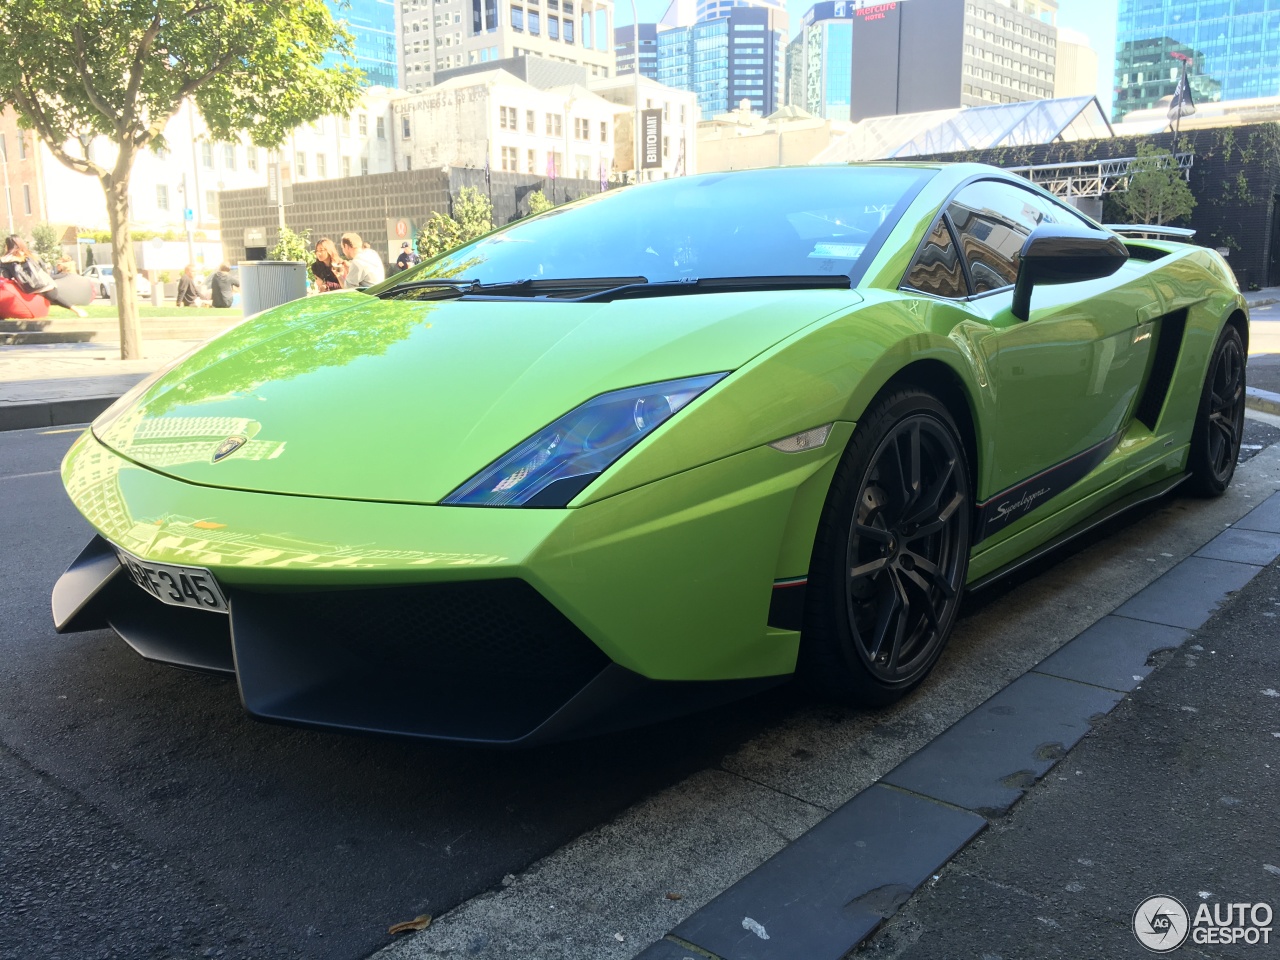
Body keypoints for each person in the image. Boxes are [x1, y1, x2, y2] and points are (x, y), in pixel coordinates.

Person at [0, 236, 88, 317]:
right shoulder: (31, 255)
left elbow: (6, 277)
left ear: (8, 245)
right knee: (54, 297)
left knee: (52, 297)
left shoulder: (6, 260)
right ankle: (77, 310)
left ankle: (77, 310)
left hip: (27, 287)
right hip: (44, 283)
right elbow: (43, 268)